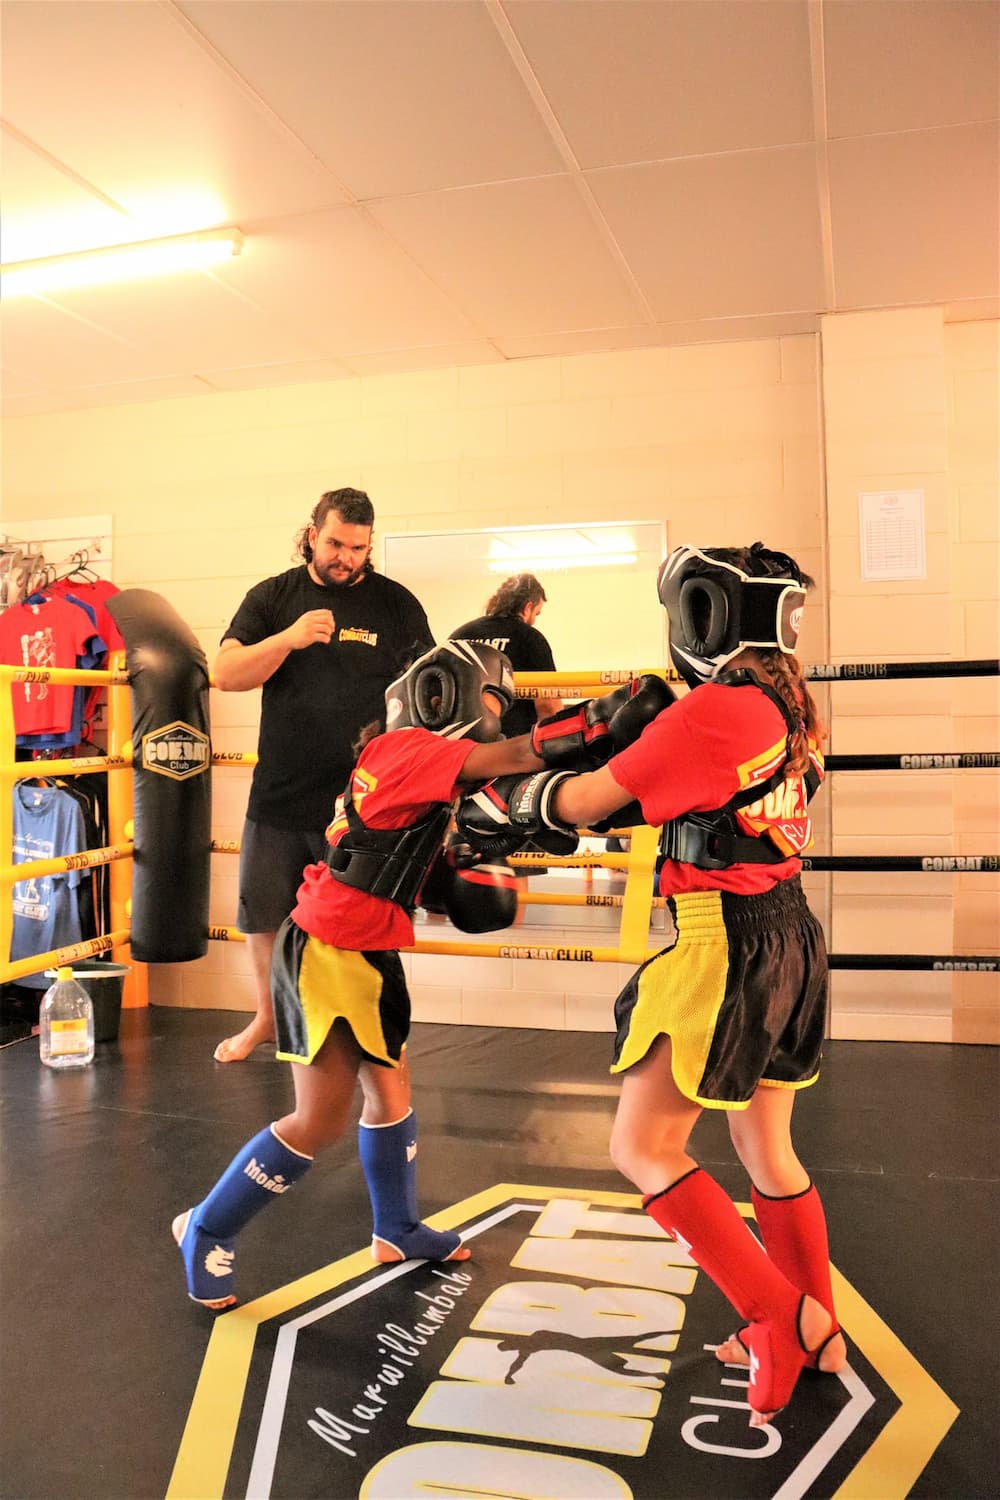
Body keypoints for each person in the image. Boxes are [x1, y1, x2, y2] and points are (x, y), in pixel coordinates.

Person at [456, 541, 846, 1428]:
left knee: (642, 1149)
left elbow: (589, 802)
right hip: (790, 934)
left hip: (722, 944)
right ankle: (822, 1329)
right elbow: (680, 798)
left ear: (703, 616)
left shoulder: (718, 711)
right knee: (766, 1153)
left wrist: (494, 813)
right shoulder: (789, 706)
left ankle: (779, 1318)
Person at [174, 642, 669, 1309]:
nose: (497, 719)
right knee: (318, 1121)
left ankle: (397, 1229)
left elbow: (414, 859)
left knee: (392, 1095)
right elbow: (521, 755)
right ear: (446, 697)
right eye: (493, 704)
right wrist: (611, 716)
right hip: (326, 950)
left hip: (367, 949)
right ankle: (203, 1227)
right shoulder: (411, 750)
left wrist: (468, 864)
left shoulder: (414, 767)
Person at [211, 488, 434, 1064]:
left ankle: (358, 1028)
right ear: (312, 534)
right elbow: (226, 673)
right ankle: (266, 1017)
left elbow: (428, 689)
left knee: (359, 920)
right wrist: (286, 639)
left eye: (359, 547)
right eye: (336, 543)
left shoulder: (395, 604)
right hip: (281, 790)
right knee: (263, 915)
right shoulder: (274, 596)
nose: (347, 557)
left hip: (363, 802)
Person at [451, 573, 562, 737]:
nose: (533, 620)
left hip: (463, 746)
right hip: (513, 749)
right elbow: (548, 705)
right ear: (527, 607)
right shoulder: (530, 638)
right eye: (536, 613)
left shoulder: (460, 635)